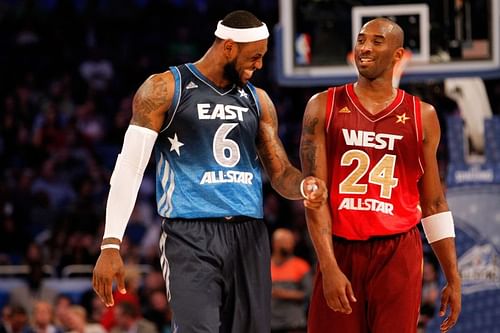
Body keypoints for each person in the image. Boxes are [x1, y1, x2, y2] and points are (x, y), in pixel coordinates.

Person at [92, 9, 327, 333]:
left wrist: (305, 186)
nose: (259, 65)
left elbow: (281, 172)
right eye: (254, 56)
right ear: (228, 47)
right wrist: (110, 243)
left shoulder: (258, 100)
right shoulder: (164, 88)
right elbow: (130, 167)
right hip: (191, 233)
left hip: (249, 234)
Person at [300, 18, 461, 333]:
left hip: (397, 251)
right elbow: (314, 196)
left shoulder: (422, 116)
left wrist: (452, 277)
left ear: (398, 55)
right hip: (341, 247)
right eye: (361, 40)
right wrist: (329, 266)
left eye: (376, 41)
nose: (364, 48)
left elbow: (434, 203)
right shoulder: (322, 106)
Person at [270, 228, 312, 333]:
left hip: (294, 323)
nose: (289, 245)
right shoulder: (264, 266)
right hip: (270, 322)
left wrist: (284, 294)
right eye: (285, 241)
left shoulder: (301, 265)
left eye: (291, 241)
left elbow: (309, 294)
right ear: (275, 243)